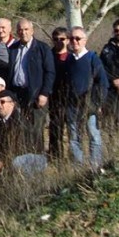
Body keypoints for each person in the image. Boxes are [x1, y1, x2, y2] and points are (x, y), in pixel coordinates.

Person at [7, 18, 55, 153]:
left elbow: (50, 72)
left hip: (36, 95)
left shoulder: (42, 48)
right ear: (17, 32)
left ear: (32, 30)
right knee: (20, 128)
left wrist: (44, 93)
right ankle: (23, 158)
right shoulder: (12, 49)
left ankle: (38, 160)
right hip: (17, 94)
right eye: (20, 30)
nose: (23, 32)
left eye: (26, 29)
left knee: (36, 130)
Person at [64, 27, 108, 170]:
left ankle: (95, 167)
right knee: (73, 138)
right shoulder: (69, 60)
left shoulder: (92, 59)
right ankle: (79, 168)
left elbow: (102, 83)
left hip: (89, 106)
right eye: (72, 39)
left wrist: (96, 103)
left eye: (78, 38)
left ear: (85, 40)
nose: (75, 41)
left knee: (93, 136)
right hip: (72, 106)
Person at [0, 89, 47, 177]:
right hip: (10, 156)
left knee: (16, 162)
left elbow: (17, 148)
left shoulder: (19, 121)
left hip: (34, 156)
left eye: (2, 102)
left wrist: (2, 161)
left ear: (12, 104)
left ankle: (27, 183)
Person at [48, 26, 70, 159]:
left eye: (62, 38)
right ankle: (56, 157)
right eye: (56, 39)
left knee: (73, 130)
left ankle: (74, 158)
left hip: (71, 98)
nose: (59, 41)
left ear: (68, 40)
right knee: (55, 129)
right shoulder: (48, 56)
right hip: (54, 97)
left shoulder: (73, 56)